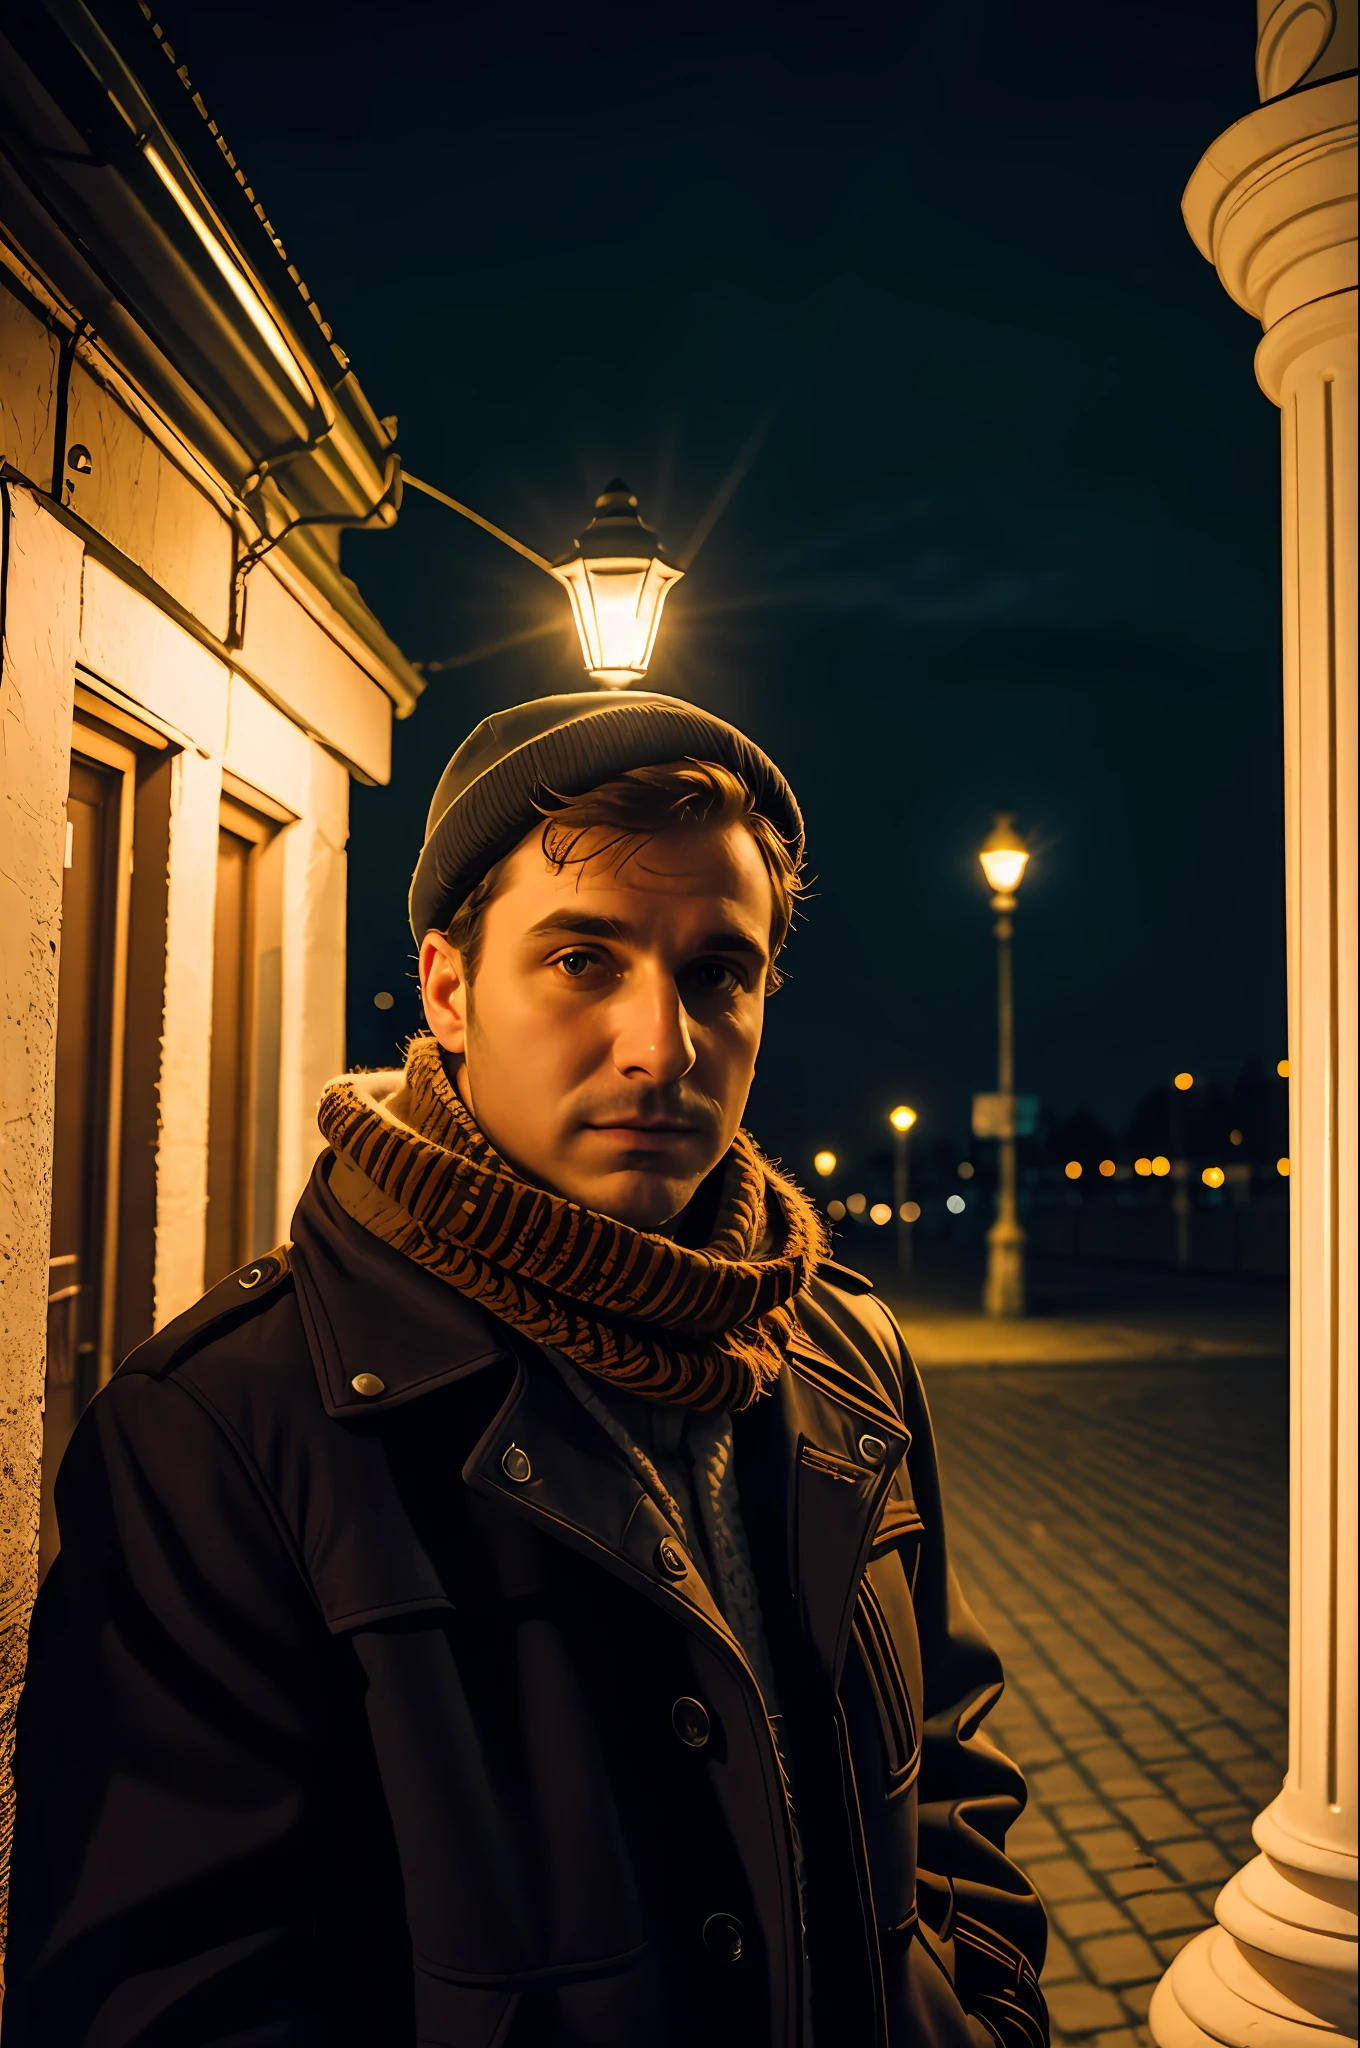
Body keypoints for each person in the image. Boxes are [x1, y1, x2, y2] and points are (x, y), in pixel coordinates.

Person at [7, 692, 1049, 2048]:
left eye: (719, 973)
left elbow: (949, 1761)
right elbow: (165, 1998)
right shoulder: (216, 1432)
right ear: (447, 988)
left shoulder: (847, 1352)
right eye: (582, 960)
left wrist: (983, 2014)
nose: (658, 1045)